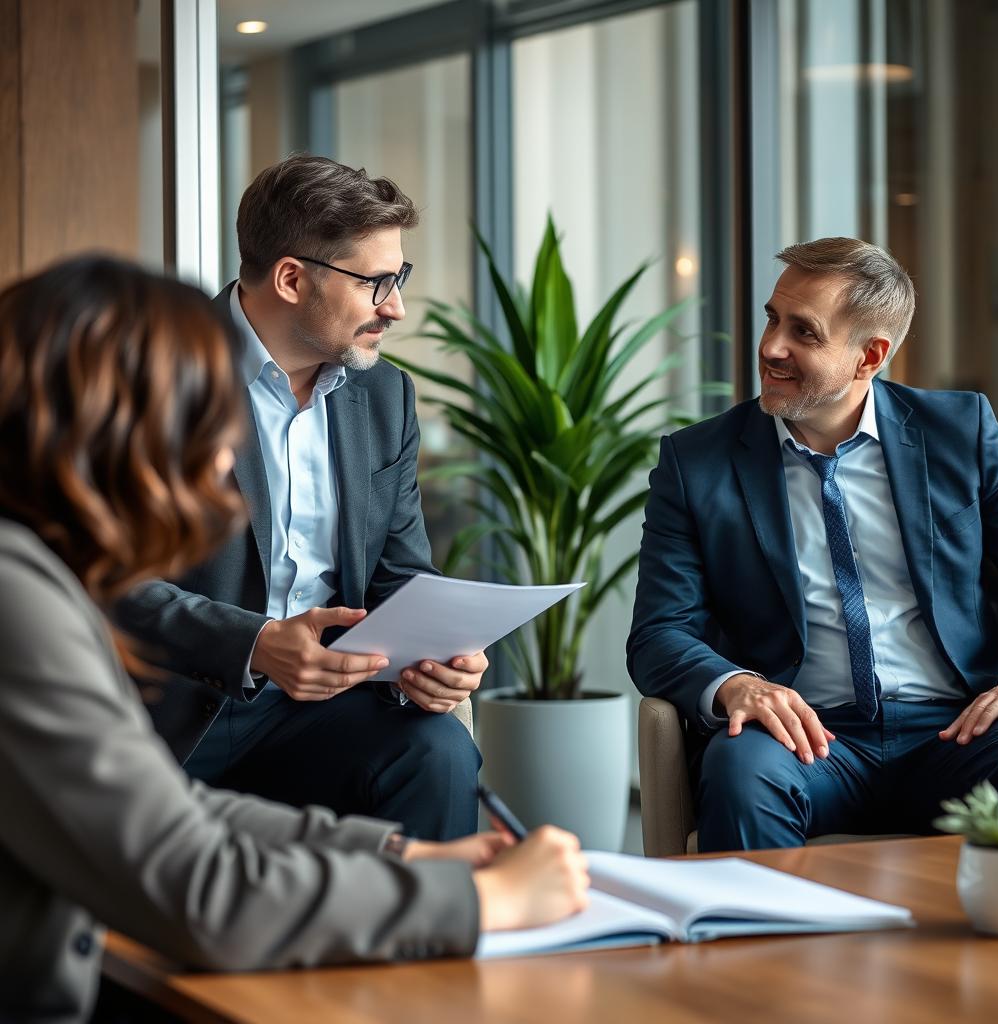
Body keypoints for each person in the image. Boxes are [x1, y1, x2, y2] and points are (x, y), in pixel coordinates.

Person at [0, 255, 589, 1023]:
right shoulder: (19, 603)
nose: (220, 467)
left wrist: (403, 856)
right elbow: (198, 890)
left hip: (316, 707)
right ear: (115, 431)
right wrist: (475, 899)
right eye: (206, 426)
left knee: (432, 747)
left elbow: (166, 810)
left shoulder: (31, 574)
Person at [115, 155, 483, 841]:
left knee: (437, 751)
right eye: (377, 282)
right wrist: (254, 644)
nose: (396, 307)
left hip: (325, 705)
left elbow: (401, 569)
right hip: (170, 709)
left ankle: (436, 943)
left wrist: (438, 650)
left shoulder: (384, 394)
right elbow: (100, 579)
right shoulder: (156, 376)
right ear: (290, 279)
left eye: (397, 279)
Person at [627, 237, 998, 851]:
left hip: (958, 731)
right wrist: (736, 684)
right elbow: (658, 632)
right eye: (772, 319)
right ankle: (763, 949)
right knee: (740, 774)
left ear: (870, 355)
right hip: (805, 735)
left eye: (803, 333)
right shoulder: (696, 463)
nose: (770, 347)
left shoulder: (960, 432)